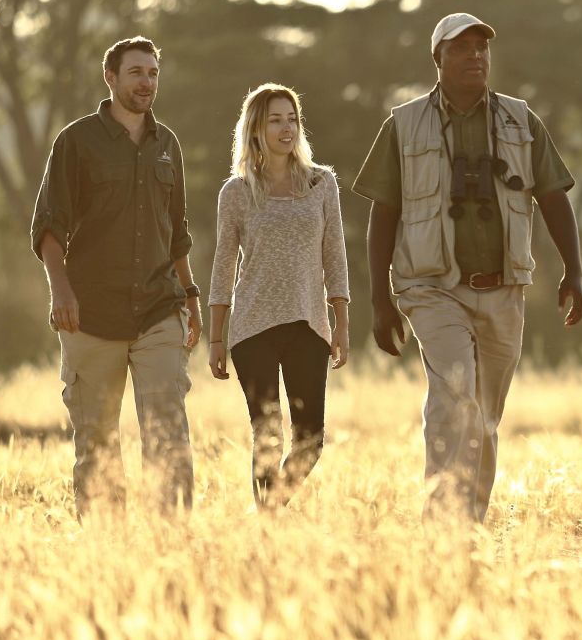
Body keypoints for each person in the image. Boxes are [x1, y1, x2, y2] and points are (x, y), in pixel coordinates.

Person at [353, 12, 582, 523]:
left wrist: (574, 270)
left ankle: (469, 527)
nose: (475, 57)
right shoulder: (404, 122)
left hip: (505, 289)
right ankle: (442, 527)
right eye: (462, 49)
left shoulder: (520, 120)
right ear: (437, 60)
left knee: (483, 417)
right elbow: (383, 212)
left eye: (482, 48)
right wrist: (379, 300)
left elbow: (551, 195)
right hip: (432, 288)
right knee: (454, 395)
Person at [30, 36, 200, 519]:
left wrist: (189, 297)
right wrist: (59, 290)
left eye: (152, 73)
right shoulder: (76, 141)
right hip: (90, 313)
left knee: (169, 434)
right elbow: (49, 225)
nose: (146, 82)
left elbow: (177, 232)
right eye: (136, 73)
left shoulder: (168, 145)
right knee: (97, 443)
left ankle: (173, 545)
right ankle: (105, 554)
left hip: (158, 310)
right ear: (111, 77)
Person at [207, 84, 351, 508]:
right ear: (256, 128)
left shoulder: (322, 184)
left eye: (292, 118)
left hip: (309, 323)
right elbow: (222, 266)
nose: (286, 127)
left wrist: (341, 322)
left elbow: (335, 256)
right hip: (253, 327)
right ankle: (268, 533)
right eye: (275, 120)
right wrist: (216, 338)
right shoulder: (235, 192)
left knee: (311, 439)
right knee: (266, 436)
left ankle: (269, 510)